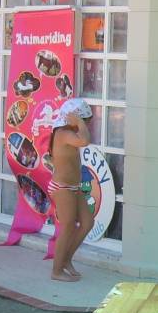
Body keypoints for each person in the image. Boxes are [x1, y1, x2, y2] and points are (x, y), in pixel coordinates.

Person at [47, 98, 95, 281]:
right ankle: (56, 271)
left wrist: (78, 122)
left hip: (73, 187)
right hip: (62, 187)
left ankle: (66, 259)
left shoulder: (69, 133)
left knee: (87, 222)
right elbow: (85, 141)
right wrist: (78, 121)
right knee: (67, 227)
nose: (87, 124)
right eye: (85, 120)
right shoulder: (63, 133)